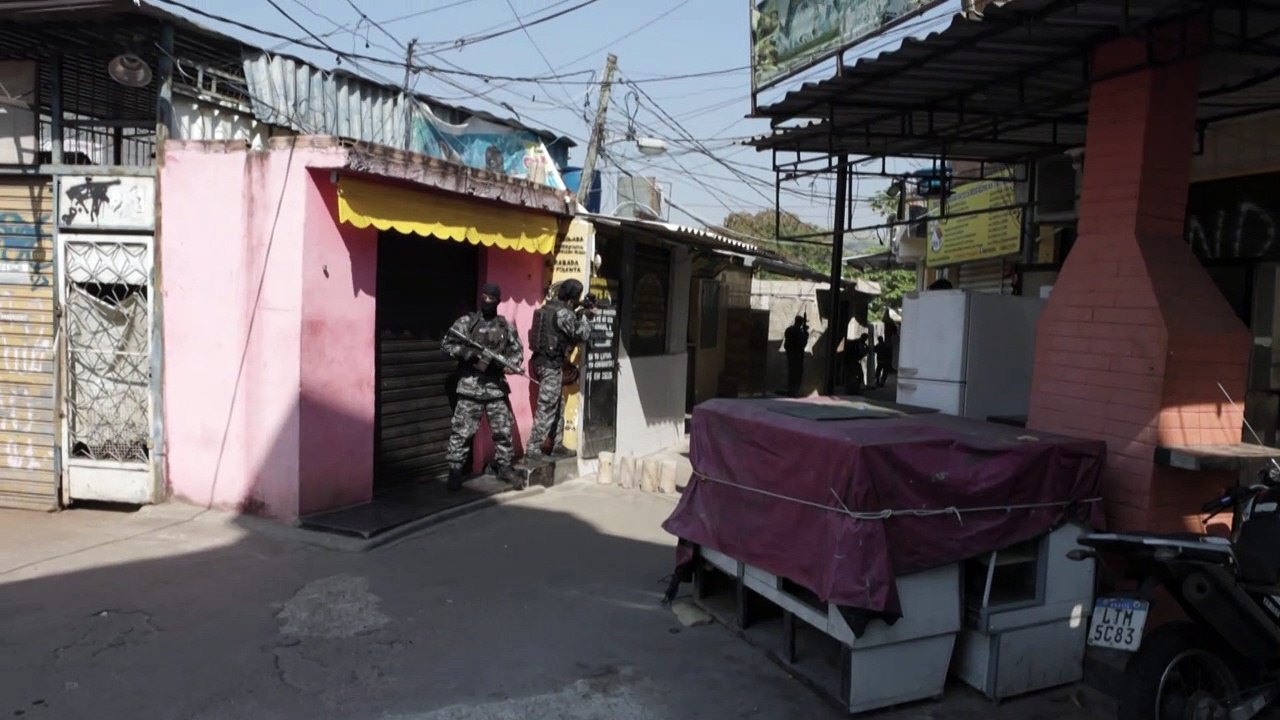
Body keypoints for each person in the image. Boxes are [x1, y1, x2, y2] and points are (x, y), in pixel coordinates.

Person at [442, 283, 525, 492]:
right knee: (462, 432)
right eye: (485, 297)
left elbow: (517, 355)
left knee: (503, 431)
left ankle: (505, 468)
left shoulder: (506, 326)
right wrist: (465, 353)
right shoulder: (467, 322)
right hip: (471, 386)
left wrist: (503, 363)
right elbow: (446, 344)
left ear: (498, 301)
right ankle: (454, 470)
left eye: (492, 298)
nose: (487, 301)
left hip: (496, 387)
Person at [527, 279, 594, 460]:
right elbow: (583, 335)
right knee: (547, 407)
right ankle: (533, 449)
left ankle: (556, 445)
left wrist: (578, 312)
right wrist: (587, 316)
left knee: (557, 405)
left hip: (541, 362)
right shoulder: (564, 314)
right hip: (550, 364)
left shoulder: (549, 307)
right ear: (573, 297)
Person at [783, 315, 809, 397]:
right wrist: (805, 332)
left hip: (791, 355)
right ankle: (793, 391)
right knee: (796, 374)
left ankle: (791, 390)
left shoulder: (789, 330)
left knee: (792, 373)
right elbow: (803, 343)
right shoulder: (798, 332)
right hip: (797, 355)